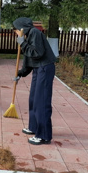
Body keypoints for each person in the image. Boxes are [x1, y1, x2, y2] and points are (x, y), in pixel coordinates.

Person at [13, 17, 56, 145]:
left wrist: (23, 44)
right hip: (38, 68)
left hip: (45, 68)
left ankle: (44, 135)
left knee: (41, 102)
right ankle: (34, 127)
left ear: (22, 28)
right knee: (33, 99)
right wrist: (21, 73)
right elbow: (30, 59)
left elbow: (37, 53)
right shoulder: (29, 35)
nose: (15, 32)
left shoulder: (34, 33)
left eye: (16, 29)